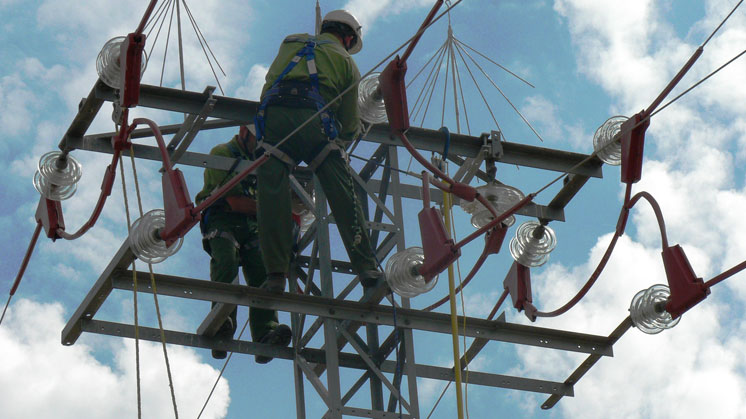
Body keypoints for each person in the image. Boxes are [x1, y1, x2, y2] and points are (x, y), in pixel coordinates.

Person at [255, 9, 384, 294]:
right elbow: (350, 125)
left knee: (271, 194)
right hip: (314, 124)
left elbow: (269, 83)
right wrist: (345, 135)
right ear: (348, 38)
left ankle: (275, 274)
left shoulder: (290, 43)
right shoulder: (347, 63)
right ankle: (368, 271)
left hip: (274, 119)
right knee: (343, 194)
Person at [196, 124, 291, 362]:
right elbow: (235, 201)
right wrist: (275, 210)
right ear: (243, 133)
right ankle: (221, 323)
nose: (260, 146)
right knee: (226, 260)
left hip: (251, 223)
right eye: (257, 139)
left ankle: (265, 333)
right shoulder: (223, 154)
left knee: (263, 271)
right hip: (223, 217)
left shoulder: (263, 159)